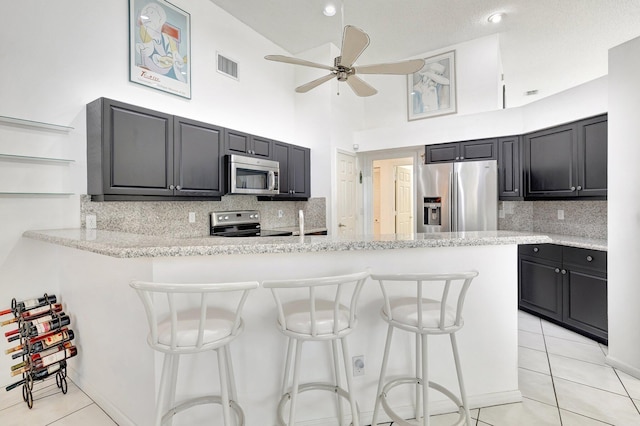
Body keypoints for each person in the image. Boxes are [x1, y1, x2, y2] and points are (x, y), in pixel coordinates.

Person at [135, 2, 187, 82]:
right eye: (146, 13)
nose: (148, 15)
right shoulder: (145, 36)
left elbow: (175, 56)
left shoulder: (167, 39)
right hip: (153, 77)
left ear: (161, 18)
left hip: (171, 74)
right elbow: (145, 51)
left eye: (151, 12)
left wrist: (177, 59)